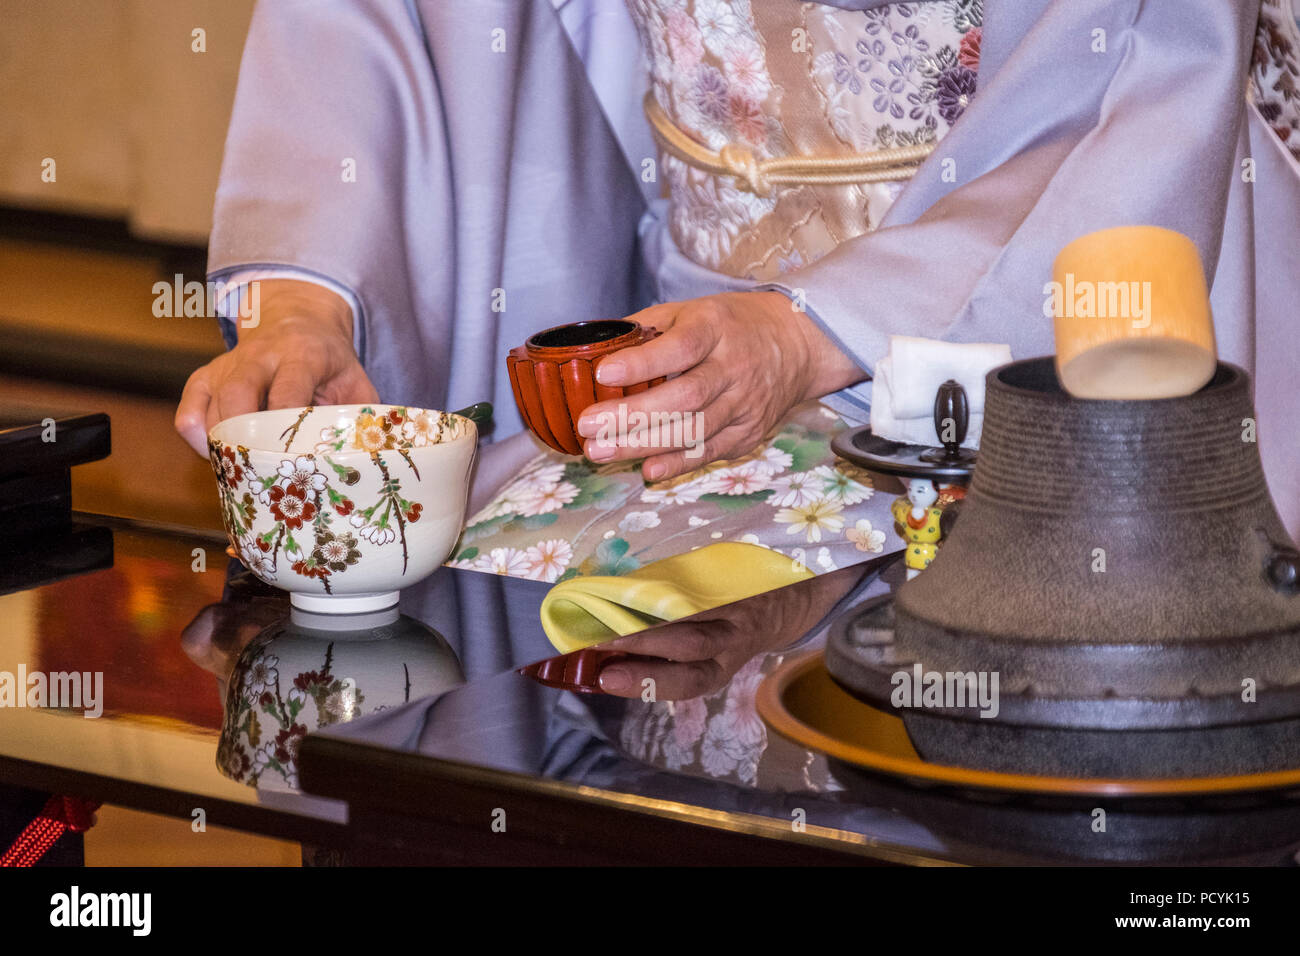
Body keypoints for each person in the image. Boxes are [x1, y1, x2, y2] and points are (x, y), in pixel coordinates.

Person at [177, 0, 1300, 589]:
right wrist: (308, 305)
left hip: (981, 350)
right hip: (676, 357)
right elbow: (375, 21)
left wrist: (806, 332)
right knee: (486, 629)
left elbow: (1143, 85)